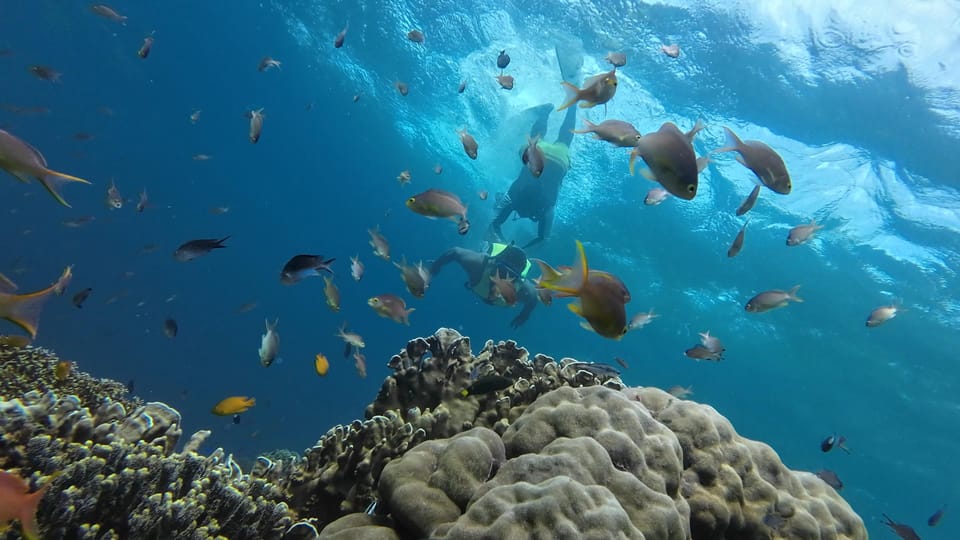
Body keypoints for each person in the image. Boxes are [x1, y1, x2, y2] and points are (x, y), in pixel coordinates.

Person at [488, 43, 582, 250]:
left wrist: (519, 247)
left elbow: (543, 237)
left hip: (559, 162)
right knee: (533, 142)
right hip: (538, 157)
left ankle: (573, 105)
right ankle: (545, 113)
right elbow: (494, 224)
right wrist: (514, 246)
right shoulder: (512, 199)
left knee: (564, 142)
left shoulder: (544, 211)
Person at [429, 242, 539, 329]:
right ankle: (486, 245)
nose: (504, 277)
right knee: (482, 250)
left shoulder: (524, 289)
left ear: (518, 278)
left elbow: (534, 299)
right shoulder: (479, 265)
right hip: (485, 260)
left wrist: (524, 316)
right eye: (501, 270)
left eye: (512, 275)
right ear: (494, 263)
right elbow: (454, 252)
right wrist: (436, 266)